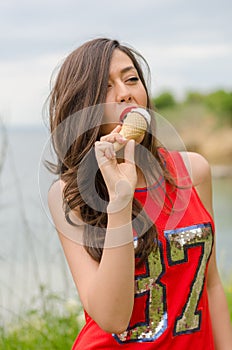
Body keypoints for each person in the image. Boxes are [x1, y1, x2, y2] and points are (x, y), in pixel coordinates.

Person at [47, 38, 232, 349]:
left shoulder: (194, 172)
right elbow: (112, 319)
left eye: (131, 79)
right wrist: (119, 202)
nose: (125, 93)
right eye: (106, 87)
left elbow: (210, 285)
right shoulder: (69, 195)